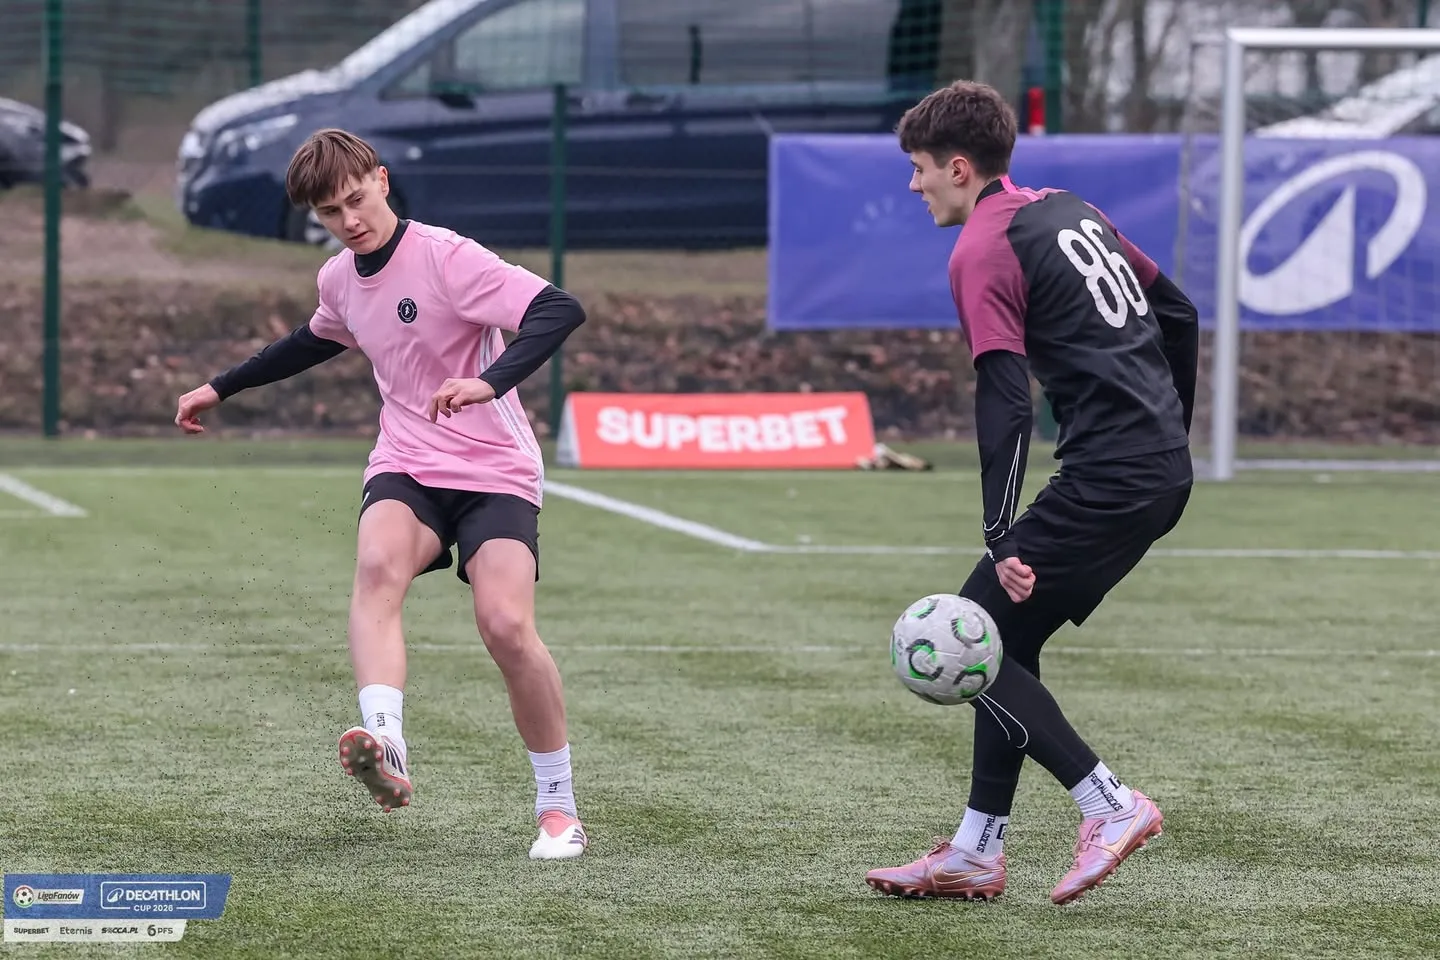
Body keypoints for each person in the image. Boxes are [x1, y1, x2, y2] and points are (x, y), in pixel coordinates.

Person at [172, 128, 590, 861]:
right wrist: (220, 387)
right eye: (330, 213)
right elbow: (312, 340)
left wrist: (488, 382)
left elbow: (558, 309)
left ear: (383, 180)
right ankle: (386, 742)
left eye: (356, 200)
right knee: (376, 569)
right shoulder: (339, 278)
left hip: (493, 469)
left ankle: (557, 807)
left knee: (504, 626)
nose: (349, 220)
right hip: (407, 462)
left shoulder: (448, 258)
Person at [864, 81, 1199, 904]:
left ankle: (1109, 803)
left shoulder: (981, 249)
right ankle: (976, 851)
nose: (913, 185)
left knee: (971, 639)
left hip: (1113, 476)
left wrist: (1000, 531)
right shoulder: (1071, 209)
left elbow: (1007, 400)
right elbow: (1180, 312)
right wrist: (1170, 432)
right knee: (1001, 641)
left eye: (919, 169)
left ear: (958, 167)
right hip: (1151, 467)